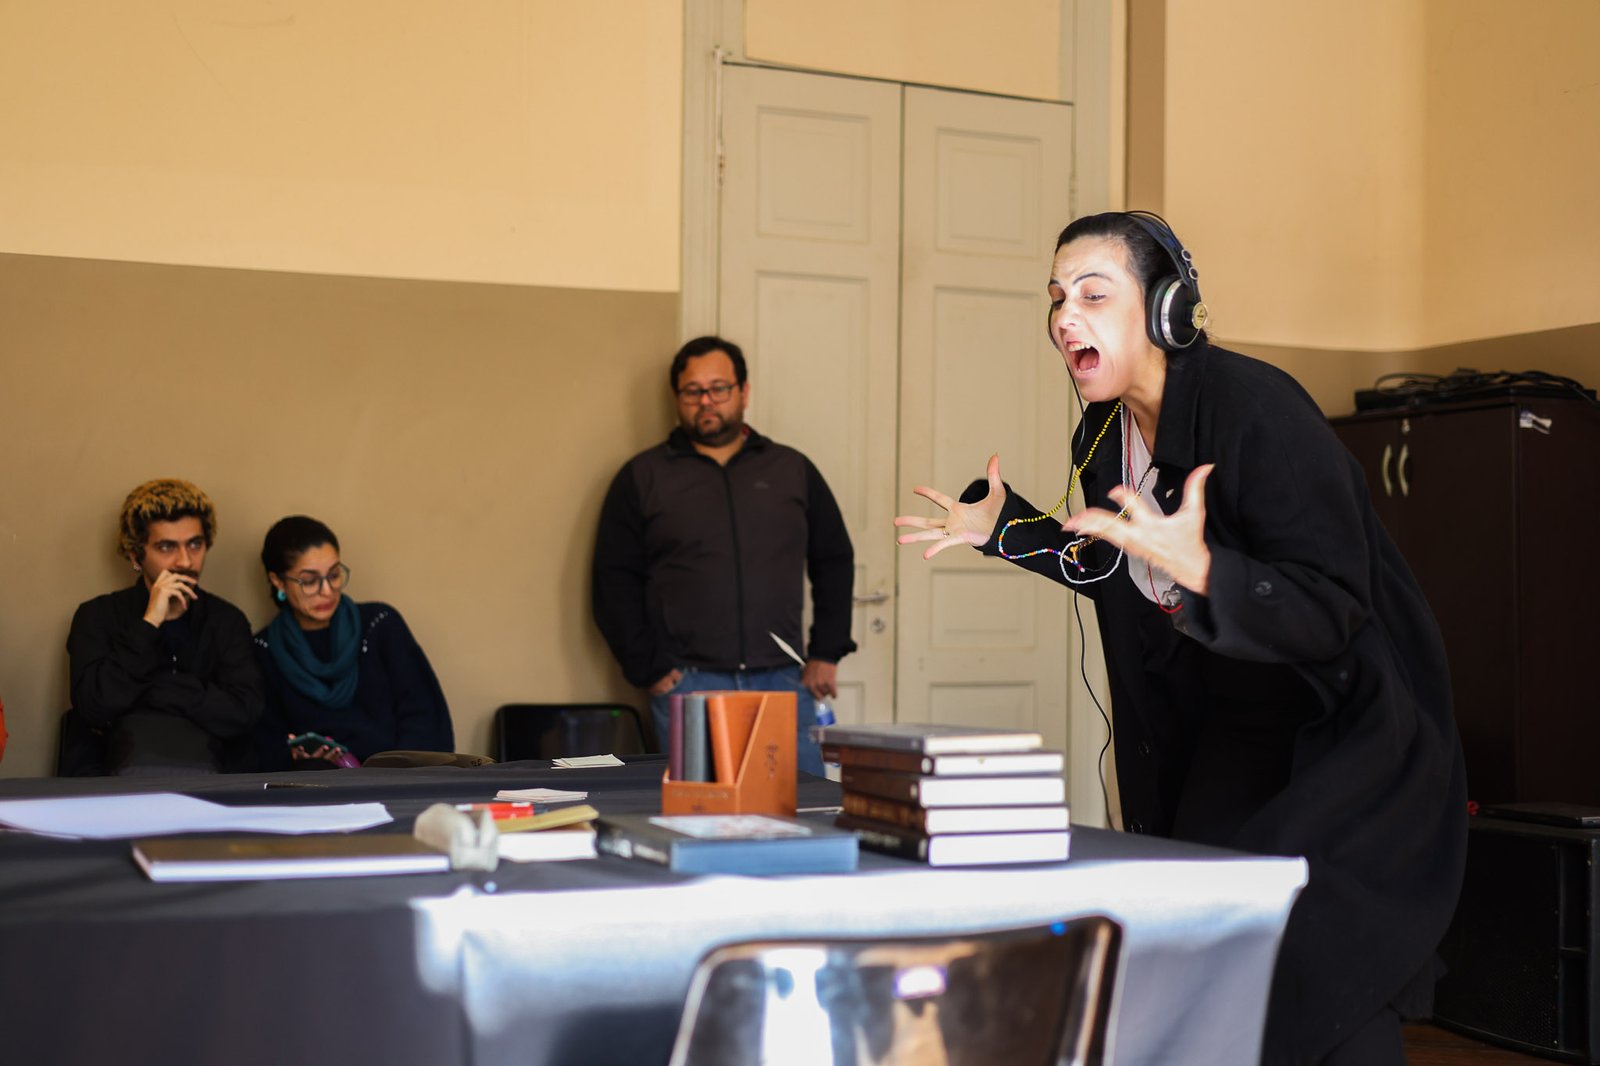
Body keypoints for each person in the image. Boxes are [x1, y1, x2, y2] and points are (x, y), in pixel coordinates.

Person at [894, 212, 1466, 1066]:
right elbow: (1111, 558)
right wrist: (1005, 530)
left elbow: (1336, 607)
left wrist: (1207, 570)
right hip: (1231, 725)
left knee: (1327, 969)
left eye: (1093, 293)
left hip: (1340, 735)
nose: (1064, 316)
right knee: (1209, 943)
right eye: (1056, 298)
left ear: (1168, 311)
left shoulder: (1258, 410)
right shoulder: (1104, 435)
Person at [592, 335, 856, 777]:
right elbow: (612, 579)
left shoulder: (791, 469)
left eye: (719, 388)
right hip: (688, 684)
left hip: (783, 683)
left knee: (803, 812)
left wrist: (827, 650)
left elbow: (834, 559)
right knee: (698, 816)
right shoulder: (643, 476)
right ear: (678, 397)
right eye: (693, 391)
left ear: (744, 392)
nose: (706, 402)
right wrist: (649, 667)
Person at [67, 478, 264, 774]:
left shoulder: (226, 619)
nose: (185, 561)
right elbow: (94, 707)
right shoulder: (97, 615)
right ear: (136, 555)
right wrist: (149, 623)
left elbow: (244, 713)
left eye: (195, 544)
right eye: (166, 547)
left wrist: (157, 689)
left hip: (214, 782)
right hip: (115, 783)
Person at [252, 515, 453, 770]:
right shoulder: (263, 650)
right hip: (319, 796)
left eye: (334, 575)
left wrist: (396, 778)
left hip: (400, 786)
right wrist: (300, 759)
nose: (327, 590)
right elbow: (266, 748)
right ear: (278, 581)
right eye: (310, 580)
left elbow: (424, 718)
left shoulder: (380, 624)